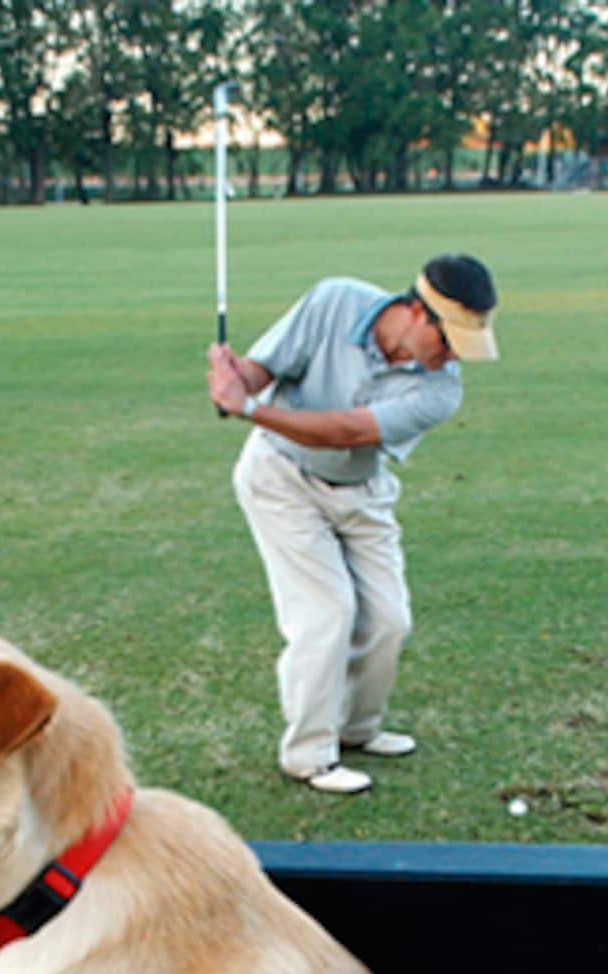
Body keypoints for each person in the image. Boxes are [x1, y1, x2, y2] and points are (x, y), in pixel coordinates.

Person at [207, 253, 499, 793]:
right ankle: (309, 754)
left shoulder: (442, 390)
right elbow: (261, 372)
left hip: (361, 492)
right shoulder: (334, 300)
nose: (454, 355)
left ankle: (358, 730)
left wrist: (247, 408)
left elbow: (344, 431)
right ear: (417, 312)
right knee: (327, 612)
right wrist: (235, 376)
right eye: (449, 338)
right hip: (281, 478)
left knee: (389, 618)